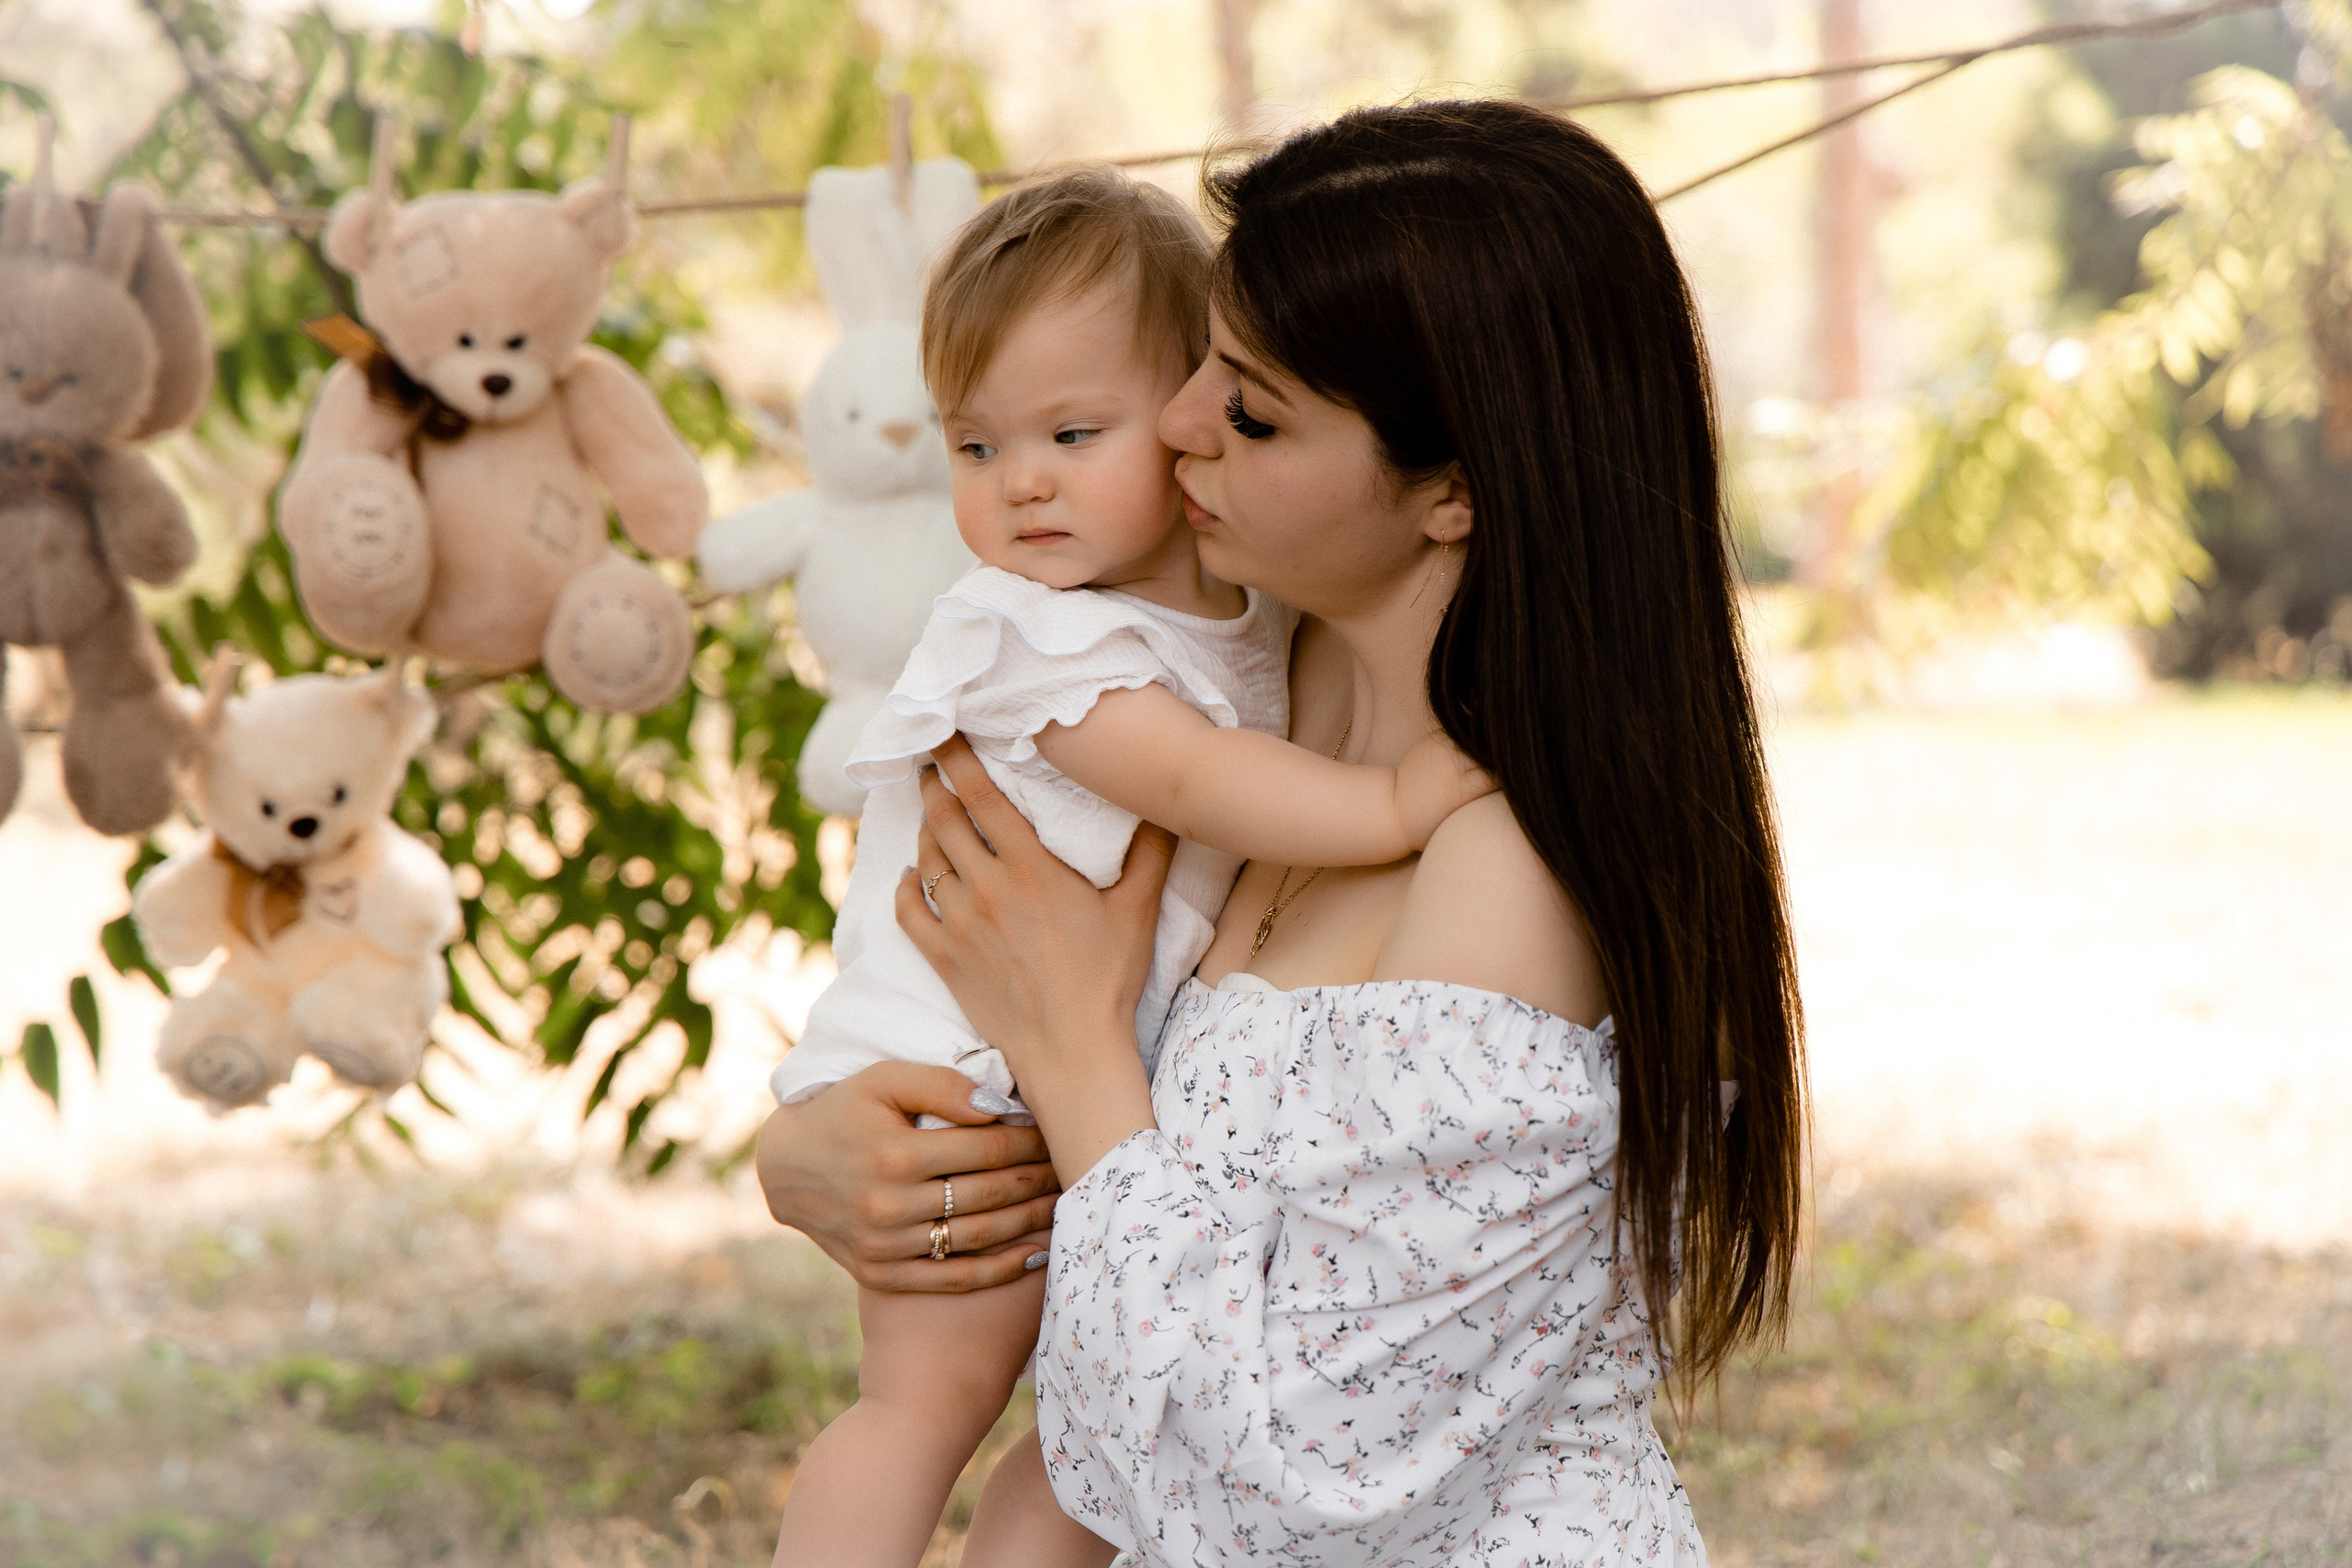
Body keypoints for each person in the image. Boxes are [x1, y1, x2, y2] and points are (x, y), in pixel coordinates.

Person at [757, 98, 1806, 1567]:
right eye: (1199, 363)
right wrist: (814, 1154)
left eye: (1250, 412)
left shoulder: (1502, 869)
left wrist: (1070, 1046)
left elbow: (1301, 1471)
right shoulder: (1223, 691)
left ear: (1455, 489)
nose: (1180, 423)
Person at [766, 165, 1489, 1568]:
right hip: (958, 1098)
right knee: (922, 1409)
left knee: (1085, 1456)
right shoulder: (1036, 635)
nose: (1023, 482)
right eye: (976, 447)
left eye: (1073, 433)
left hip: (1065, 1092)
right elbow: (1193, 778)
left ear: (1179, 413)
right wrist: (1395, 803)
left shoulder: (1242, 615)